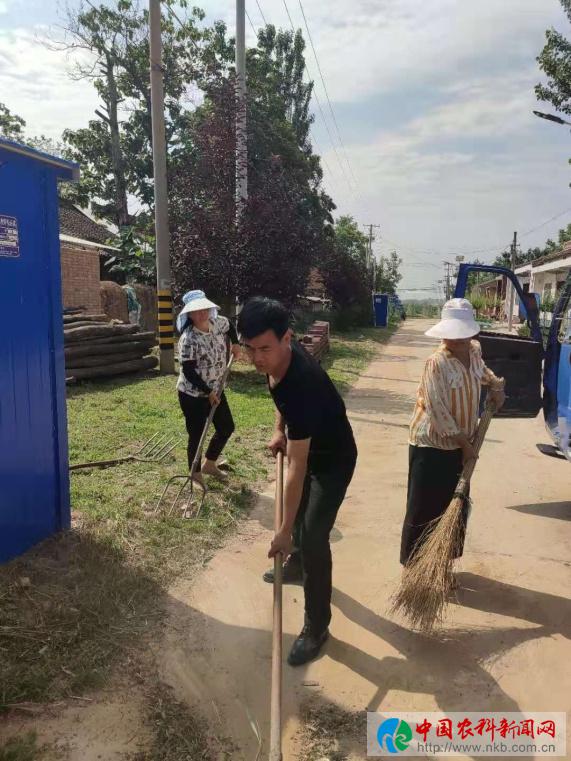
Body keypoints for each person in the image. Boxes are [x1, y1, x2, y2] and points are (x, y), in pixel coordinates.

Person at [237, 297, 357, 666]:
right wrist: (279, 431)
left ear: (287, 338)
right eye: (250, 348)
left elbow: (298, 468)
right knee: (301, 526)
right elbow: (279, 396)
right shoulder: (276, 362)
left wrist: (285, 532)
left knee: (313, 535)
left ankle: (316, 626)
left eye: (265, 349)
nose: (257, 358)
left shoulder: (303, 382)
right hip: (308, 447)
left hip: (332, 461)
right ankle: (296, 565)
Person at [400, 298, 505, 570]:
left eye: (462, 335)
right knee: (424, 508)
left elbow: (481, 372)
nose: (456, 340)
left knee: (454, 507)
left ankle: (441, 566)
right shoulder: (435, 362)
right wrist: (464, 445)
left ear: (471, 332)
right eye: (451, 334)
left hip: (463, 441)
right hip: (431, 444)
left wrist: (496, 386)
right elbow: (437, 409)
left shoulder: (474, 350)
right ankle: (414, 569)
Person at [176, 290, 240, 487]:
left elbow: (230, 324)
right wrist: (207, 392)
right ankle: (194, 474)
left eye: (204, 309)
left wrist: (235, 344)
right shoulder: (189, 338)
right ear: (189, 315)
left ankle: (209, 464)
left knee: (226, 427)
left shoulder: (217, 323)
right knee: (196, 434)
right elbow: (188, 371)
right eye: (196, 311)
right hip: (193, 394)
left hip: (217, 388)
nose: (201, 313)